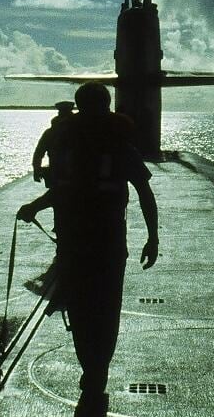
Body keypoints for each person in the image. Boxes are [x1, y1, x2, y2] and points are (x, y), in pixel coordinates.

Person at [17, 82, 158, 398]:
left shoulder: (71, 142)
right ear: (107, 105)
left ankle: (91, 369)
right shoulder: (120, 145)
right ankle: (98, 370)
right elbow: (144, 192)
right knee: (106, 308)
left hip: (74, 242)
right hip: (107, 243)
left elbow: (62, 190)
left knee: (80, 307)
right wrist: (152, 238)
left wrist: (33, 207)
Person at [32, 100, 76, 183]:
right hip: (77, 174)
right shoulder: (80, 129)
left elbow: (38, 153)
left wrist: (36, 170)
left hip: (56, 173)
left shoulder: (50, 132)